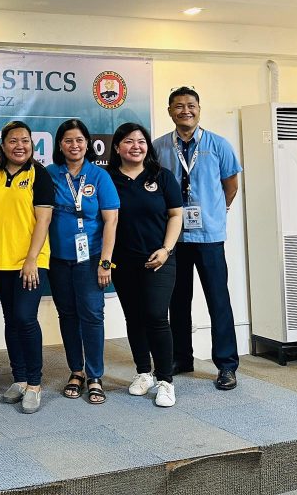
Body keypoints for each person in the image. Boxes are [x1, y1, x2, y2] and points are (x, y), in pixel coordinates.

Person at [153, 87, 242, 391]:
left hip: (209, 236)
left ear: (199, 109)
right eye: (178, 106)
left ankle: (227, 365)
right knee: (177, 301)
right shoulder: (160, 147)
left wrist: (219, 211)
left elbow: (231, 186)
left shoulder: (219, 145)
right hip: (175, 238)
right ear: (170, 111)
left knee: (218, 301)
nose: (185, 111)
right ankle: (181, 357)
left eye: (191, 106)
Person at [107, 122, 182, 408]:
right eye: (128, 141)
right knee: (134, 317)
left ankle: (165, 380)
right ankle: (143, 372)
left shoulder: (161, 176)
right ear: (117, 147)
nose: (135, 146)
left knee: (156, 316)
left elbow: (176, 215)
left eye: (141, 141)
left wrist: (166, 249)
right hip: (123, 261)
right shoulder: (108, 178)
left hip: (159, 259)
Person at [46, 118, 119, 405]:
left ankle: (95, 376)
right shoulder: (50, 173)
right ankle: (75, 371)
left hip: (91, 259)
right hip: (59, 259)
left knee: (92, 316)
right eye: (68, 140)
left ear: (87, 143)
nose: (74, 145)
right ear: (60, 145)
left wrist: (105, 263)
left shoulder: (99, 176)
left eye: (79, 140)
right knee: (68, 315)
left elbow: (111, 221)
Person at [0, 122, 53, 414]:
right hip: (0, 260)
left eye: (25, 141)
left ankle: (35, 384)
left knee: (25, 318)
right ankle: (20, 378)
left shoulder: (40, 174)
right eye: (13, 141)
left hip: (31, 261)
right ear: (2, 145)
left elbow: (44, 220)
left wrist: (30, 259)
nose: (20, 146)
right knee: (11, 320)